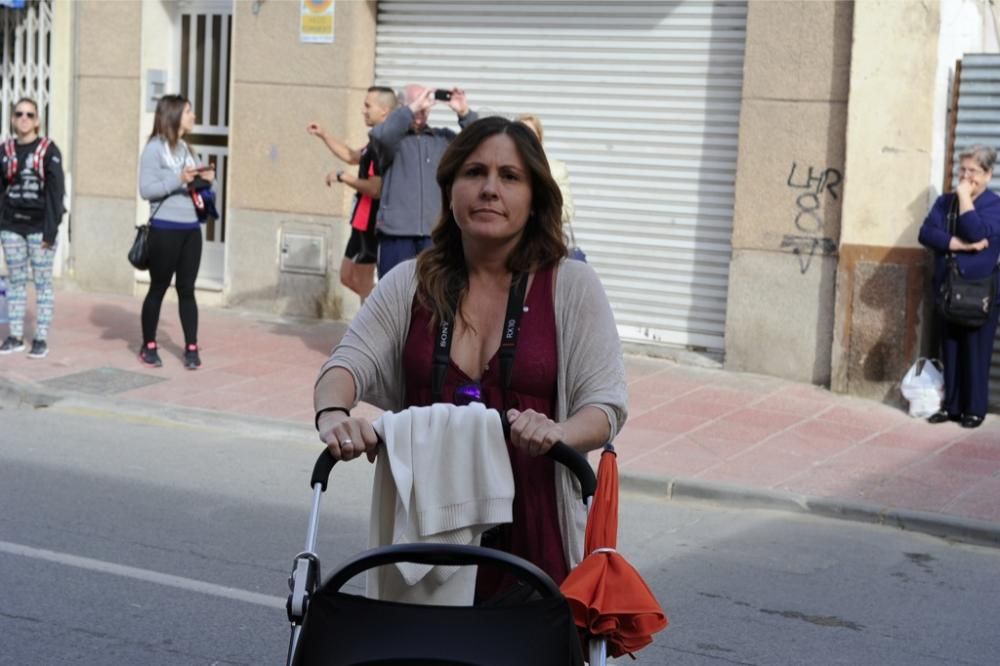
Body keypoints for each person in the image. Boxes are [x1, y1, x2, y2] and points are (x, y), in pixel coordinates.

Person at [313, 116, 627, 599]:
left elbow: (605, 406)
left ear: (535, 196)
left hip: (536, 547)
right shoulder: (409, 282)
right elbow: (345, 364)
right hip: (425, 550)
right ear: (451, 186)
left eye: (510, 176)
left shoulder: (571, 286)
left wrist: (559, 432)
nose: (489, 189)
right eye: (474, 172)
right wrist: (335, 414)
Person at [918, 144, 1000, 429]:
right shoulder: (944, 202)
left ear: (988, 175)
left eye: (973, 171)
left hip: (980, 291)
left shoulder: (995, 205)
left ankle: (974, 409)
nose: (965, 177)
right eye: (962, 170)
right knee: (950, 346)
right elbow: (927, 232)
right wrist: (961, 246)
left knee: (976, 349)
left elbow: (977, 231)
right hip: (948, 288)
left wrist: (965, 199)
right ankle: (951, 406)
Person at [137, 94, 215, 370]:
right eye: (189, 112)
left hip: (191, 230)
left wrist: (208, 182)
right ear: (173, 115)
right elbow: (147, 190)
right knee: (158, 287)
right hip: (164, 229)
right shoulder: (154, 149)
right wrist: (177, 179)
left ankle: (191, 347)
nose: (193, 117)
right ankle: (149, 345)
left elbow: (201, 192)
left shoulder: (187, 149)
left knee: (187, 289)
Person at [368, 84, 478, 277]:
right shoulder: (392, 141)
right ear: (402, 107)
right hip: (396, 235)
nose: (421, 110)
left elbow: (480, 143)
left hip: (434, 236)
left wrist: (464, 113)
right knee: (394, 298)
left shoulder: (442, 139)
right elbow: (381, 136)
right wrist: (410, 110)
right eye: (416, 105)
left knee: (434, 296)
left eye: (425, 106)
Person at [307, 86, 397, 303]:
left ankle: (374, 330)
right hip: (361, 221)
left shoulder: (382, 145)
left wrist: (343, 178)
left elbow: (376, 189)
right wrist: (324, 135)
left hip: (373, 223)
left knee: (364, 283)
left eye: (368, 106)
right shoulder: (373, 142)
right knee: (347, 277)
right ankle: (384, 314)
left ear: (384, 111)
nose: (362, 110)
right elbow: (351, 155)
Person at [0, 97, 66, 359]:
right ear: (13, 119)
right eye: (19, 114)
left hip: (40, 229)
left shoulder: (49, 151)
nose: (24, 118)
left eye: (29, 114)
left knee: (42, 283)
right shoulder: (5, 151)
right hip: (12, 227)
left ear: (37, 121)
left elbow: (55, 194)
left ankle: (40, 338)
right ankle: (15, 336)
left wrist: (50, 232)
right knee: (15, 282)